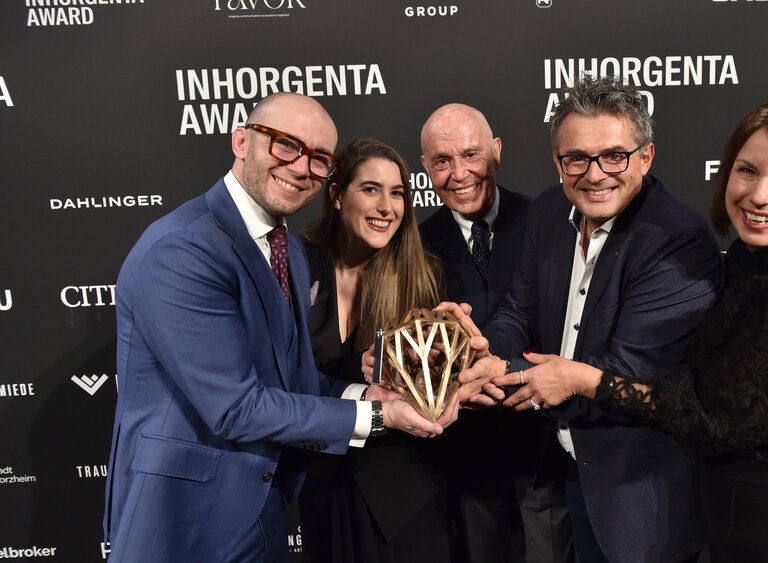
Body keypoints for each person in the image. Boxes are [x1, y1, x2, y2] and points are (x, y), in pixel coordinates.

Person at [493, 99, 768, 563]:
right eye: (747, 171)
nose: (759, 195)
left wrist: (575, 378)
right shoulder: (748, 261)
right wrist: (483, 358)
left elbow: (706, 418)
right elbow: (519, 311)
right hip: (719, 507)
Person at [103, 93, 444, 563]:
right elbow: (236, 407)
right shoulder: (182, 249)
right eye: (285, 144)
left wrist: (368, 395)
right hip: (180, 520)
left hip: (259, 515)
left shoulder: (288, 249)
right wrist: (379, 417)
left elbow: (290, 379)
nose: (301, 167)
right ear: (241, 142)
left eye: (319, 158)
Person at [455, 75, 725, 563]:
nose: (595, 174)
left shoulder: (677, 241)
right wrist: (483, 352)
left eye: (614, 156)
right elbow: (517, 312)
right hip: (556, 469)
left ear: (646, 157)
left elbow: (626, 372)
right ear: (557, 161)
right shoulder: (548, 211)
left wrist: (505, 373)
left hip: (637, 496)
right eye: (576, 158)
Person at [418, 104, 573, 563]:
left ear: (497, 152)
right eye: (442, 161)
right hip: (464, 459)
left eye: (471, 154)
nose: (459, 173)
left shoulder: (549, 222)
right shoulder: (414, 245)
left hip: (547, 448)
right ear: (425, 167)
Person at [298, 138, 453, 563]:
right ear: (336, 194)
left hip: (402, 493)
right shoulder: (295, 263)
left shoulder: (424, 275)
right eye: (370, 189)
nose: (387, 207)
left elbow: (437, 385)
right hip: (319, 482)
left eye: (397, 193)